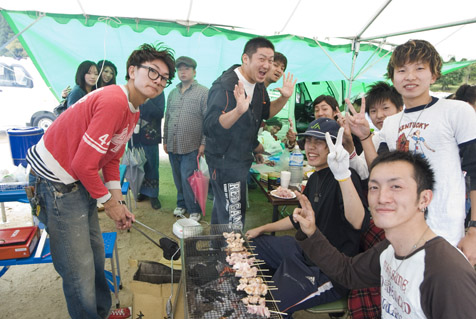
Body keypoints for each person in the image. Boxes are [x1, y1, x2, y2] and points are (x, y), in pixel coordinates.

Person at [25, 43, 175, 319]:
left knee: (95, 255)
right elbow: (83, 164)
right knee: (77, 266)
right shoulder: (114, 101)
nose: (158, 81)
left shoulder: (133, 110)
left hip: (78, 180)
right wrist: (109, 202)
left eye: (164, 77)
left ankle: (102, 313)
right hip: (55, 182)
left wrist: (116, 200)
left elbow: (111, 159)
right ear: (132, 71)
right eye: (152, 72)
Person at [294, 151, 476, 318]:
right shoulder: (390, 249)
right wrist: (311, 231)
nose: (381, 198)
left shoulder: (446, 272)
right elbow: (348, 272)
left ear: (424, 199)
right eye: (374, 187)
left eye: (396, 186)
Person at [346, 39, 476, 265]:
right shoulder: (391, 123)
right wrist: (365, 137)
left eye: (419, 68)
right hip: (400, 230)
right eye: (402, 70)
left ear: (434, 75)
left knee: (437, 295)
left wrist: (474, 229)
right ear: (393, 77)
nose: (410, 76)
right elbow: (380, 171)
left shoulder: (456, 111)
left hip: (443, 231)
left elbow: (474, 170)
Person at [245, 118, 369, 317]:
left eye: (319, 142)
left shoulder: (345, 176)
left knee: (267, 310)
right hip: (303, 250)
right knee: (250, 245)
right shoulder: (315, 177)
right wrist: (263, 228)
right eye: (309, 140)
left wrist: (343, 175)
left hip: (327, 270)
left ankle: (279, 297)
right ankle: (273, 285)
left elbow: (358, 222)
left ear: (334, 146)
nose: (311, 147)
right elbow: (299, 218)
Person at [203, 36, 296, 229]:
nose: (268, 65)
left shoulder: (259, 85)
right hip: (223, 162)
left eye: (270, 61)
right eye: (262, 59)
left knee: (225, 210)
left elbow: (265, 113)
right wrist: (237, 111)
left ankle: (217, 247)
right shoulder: (225, 86)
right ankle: (230, 256)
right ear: (246, 59)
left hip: (241, 160)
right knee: (234, 216)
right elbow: (210, 126)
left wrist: (285, 98)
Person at [164, 56, 209, 221]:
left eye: (187, 69)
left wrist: (204, 143)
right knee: (177, 177)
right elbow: (167, 117)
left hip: (192, 145)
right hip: (173, 144)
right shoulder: (172, 93)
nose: (183, 72)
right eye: (180, 69)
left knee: (188, 177)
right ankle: (181, 204)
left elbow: (208, 120)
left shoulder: (203, 92)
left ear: (194, 71)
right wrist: (165, 140)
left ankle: (194, 209)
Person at [346, 81, 404, 180]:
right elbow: (363, 172)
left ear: (400, 109)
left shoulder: (409, 135)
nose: (379, 115)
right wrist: (350, 148)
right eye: (373, 111)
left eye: (385, 108)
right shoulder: (376, 139)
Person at [132, 93, 166, 210]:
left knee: (152, 165)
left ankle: (153, 194)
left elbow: (159, 113)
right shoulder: (135, 89)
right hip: (134, 137)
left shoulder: (158, 92)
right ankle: (142, 191)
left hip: (150, 136)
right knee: (137, 165)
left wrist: (147, 101)